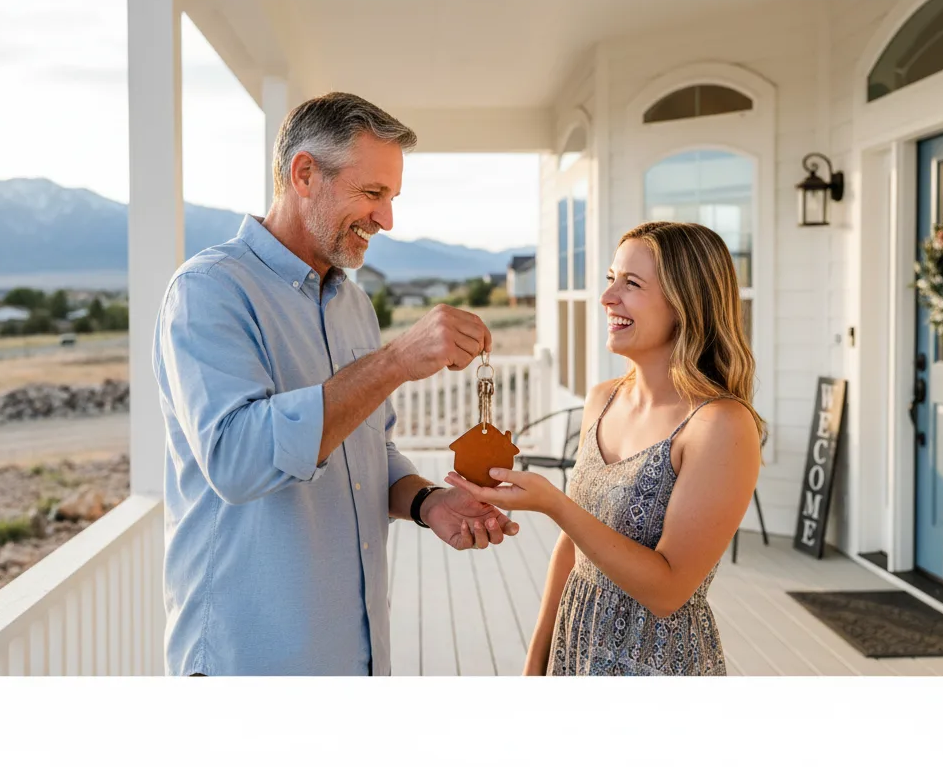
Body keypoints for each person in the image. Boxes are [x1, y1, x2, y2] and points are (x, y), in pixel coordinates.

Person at [153, 92, 519, 676]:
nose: (387, 219)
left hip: (356, 651)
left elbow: (371, 451)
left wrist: (428, 503)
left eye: (391, 198)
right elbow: (237, 460)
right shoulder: (208, 292)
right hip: (251, 662)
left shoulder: (354, 304)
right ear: (304, 174)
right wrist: (396, 360)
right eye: (372, 194)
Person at [446, 221, 764, 676]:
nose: (607, 297)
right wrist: (536, 662)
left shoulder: (720, 425)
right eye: (612, 278)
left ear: (687, 303)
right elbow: (570, 548)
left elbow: (668, 590)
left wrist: (554, 504)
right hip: (574, 646)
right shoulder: (602, 398)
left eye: (631, 284)